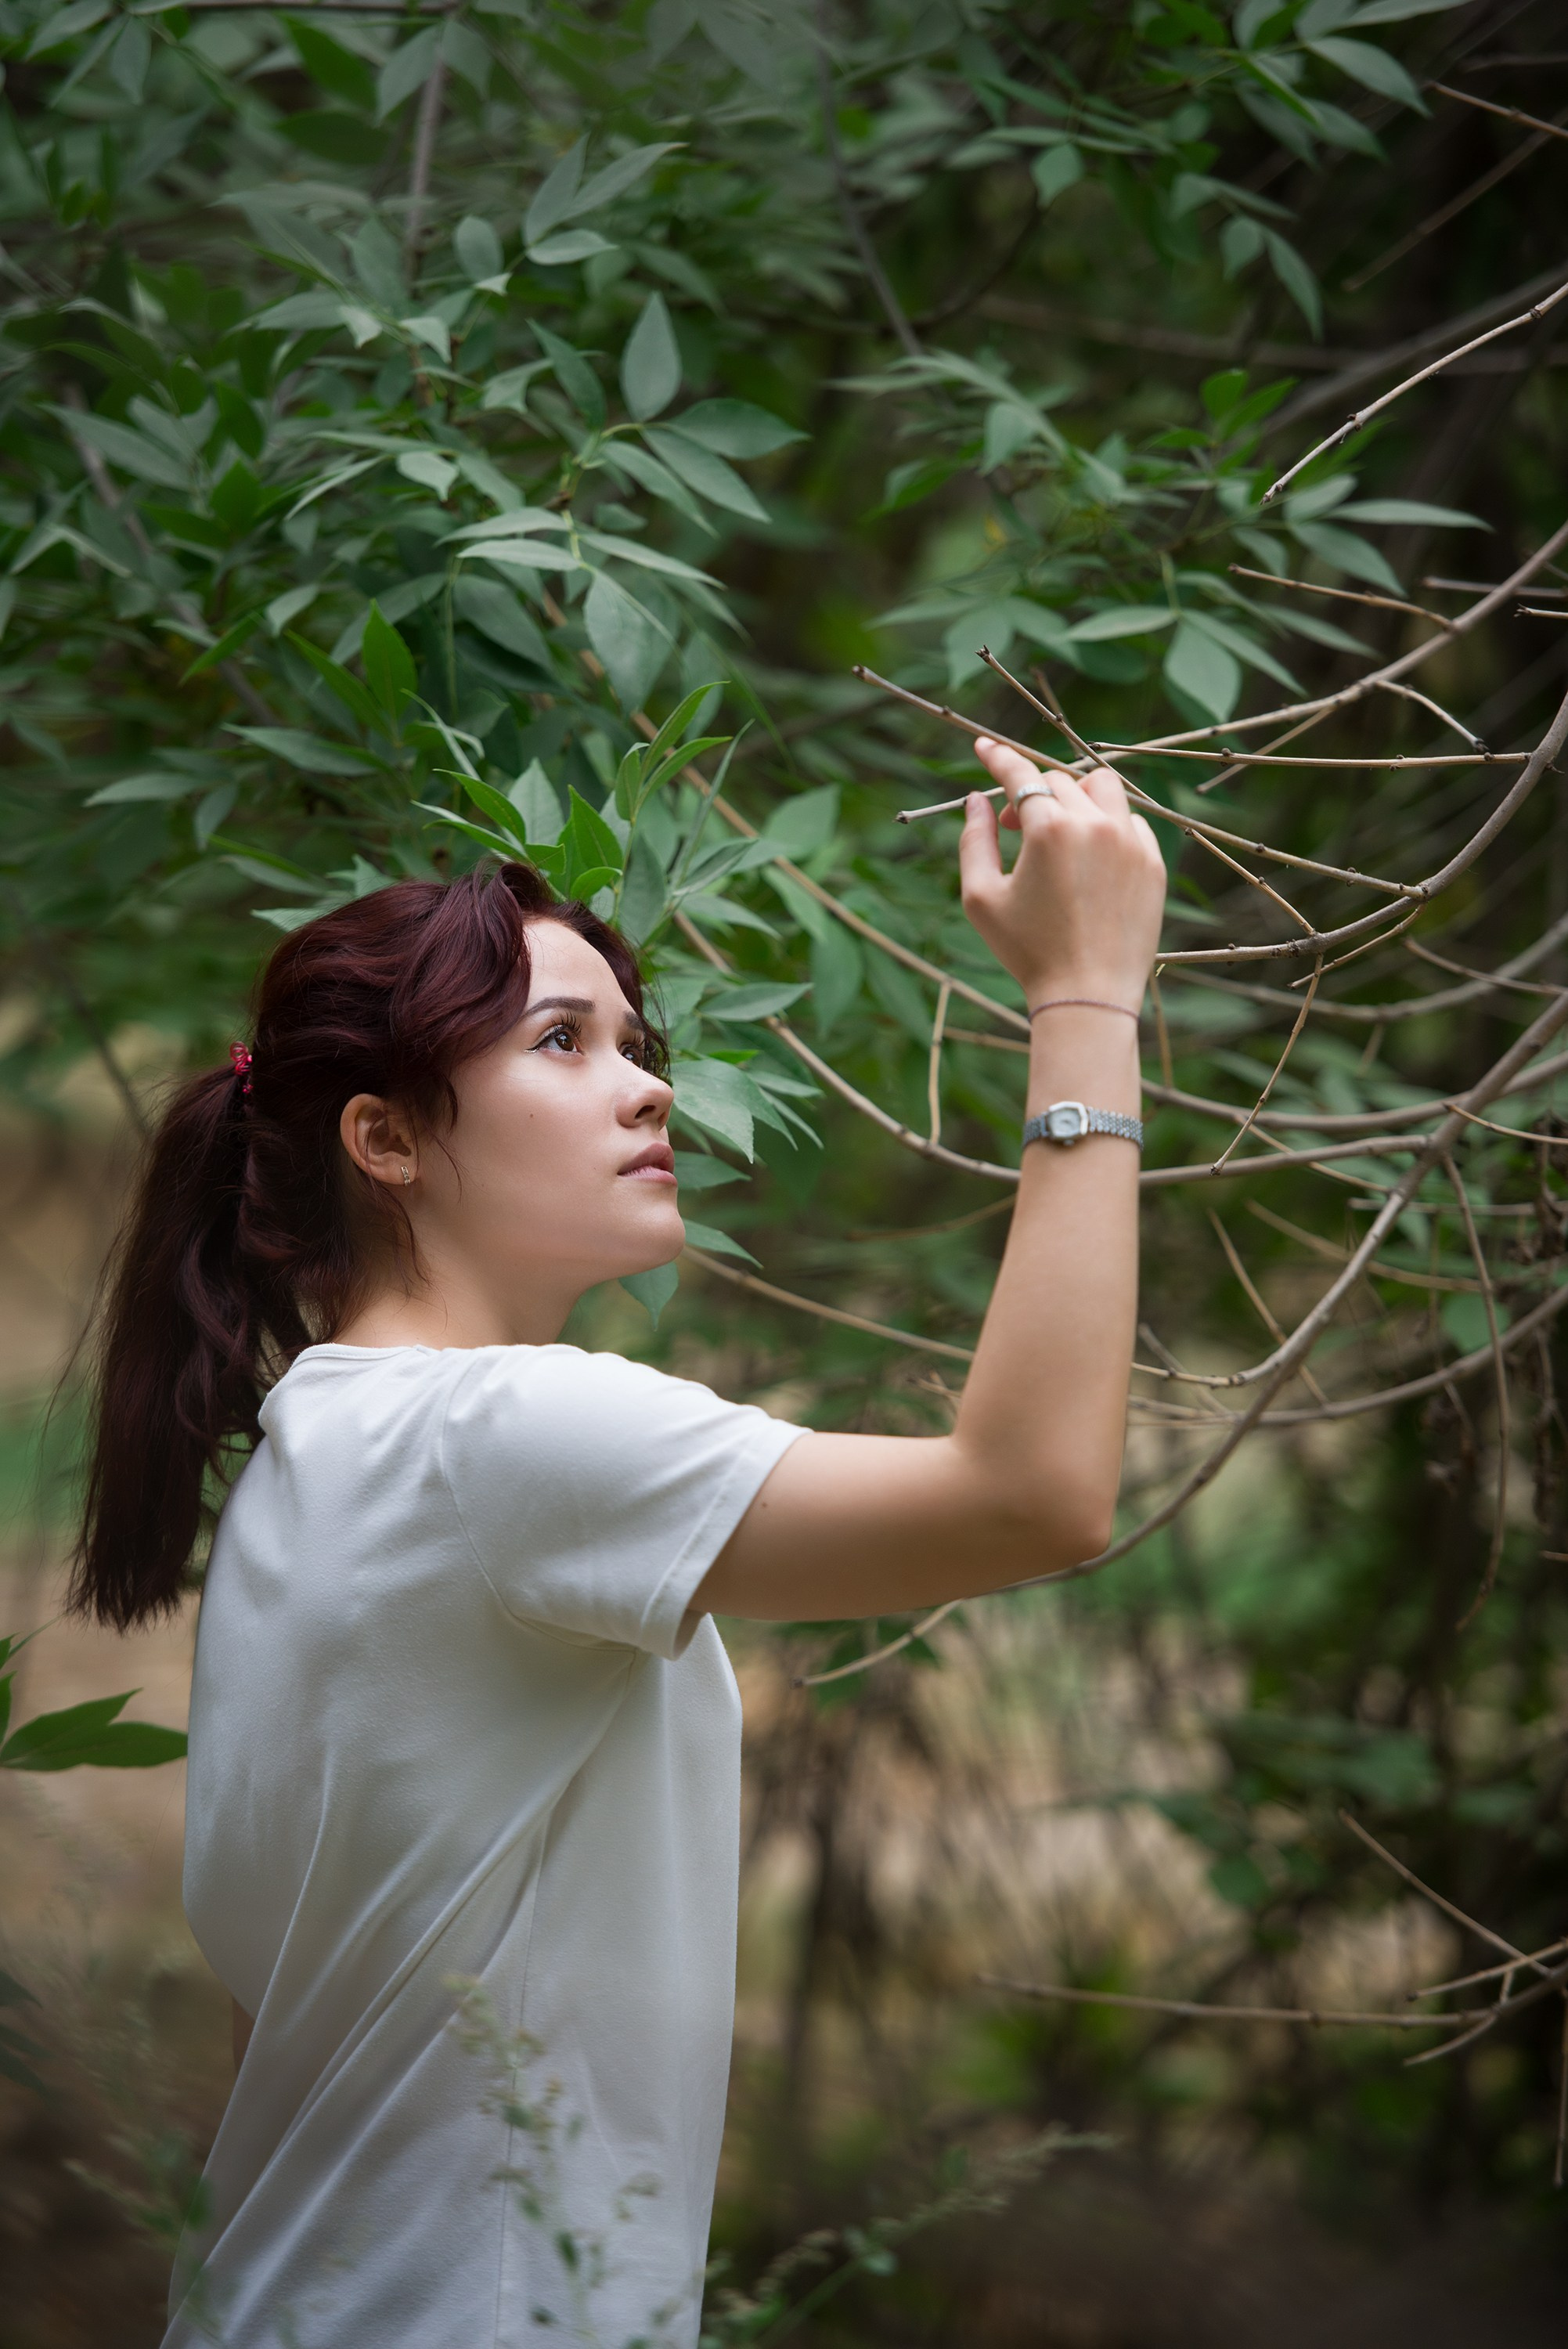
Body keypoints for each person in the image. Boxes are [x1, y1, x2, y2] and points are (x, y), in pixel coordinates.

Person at [71, 737, 1165, 2349]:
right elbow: (1037, 1492)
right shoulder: (494, 1438)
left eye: (632, 1040)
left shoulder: (317, 1460)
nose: (649, 1082)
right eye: (564, 1041)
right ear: (388, 1140)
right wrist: (1088, 1002)